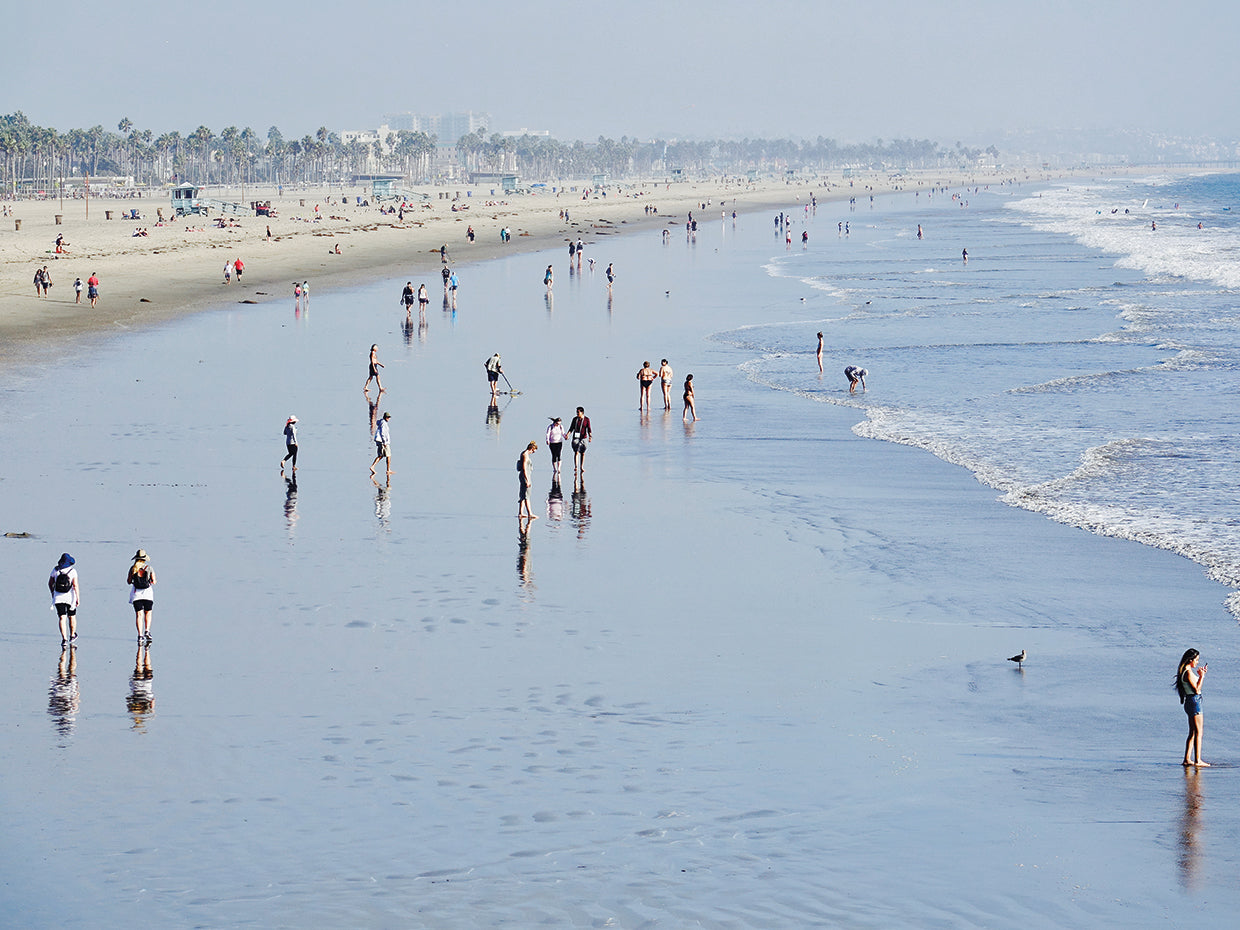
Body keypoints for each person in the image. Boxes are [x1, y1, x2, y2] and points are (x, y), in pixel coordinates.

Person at [1177, 649, 1209, 766]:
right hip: (1194, 701)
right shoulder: (1188, 672)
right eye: (1196, 660)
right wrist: (1202, 676)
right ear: (1190, 660)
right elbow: (1196, 690)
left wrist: (1200, 675)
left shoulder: (1185, 671)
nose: (1197, 662)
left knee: (1193, 732)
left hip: (1190, 701)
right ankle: (1197, 760)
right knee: (1199, 732)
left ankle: (1187, 759)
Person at [49, 552, 80, 646]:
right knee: (72, 616)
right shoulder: (72, 571)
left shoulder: (55, 570)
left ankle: (64, 639)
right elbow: (75, 585)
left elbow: (50, 583)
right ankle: (72, 635)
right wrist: (78, 598)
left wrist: (53, 593)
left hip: (58, 597)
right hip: (70, 598)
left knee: (62, 617)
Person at [127, 549, 156, 644]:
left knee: (139, 615)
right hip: (148, 594)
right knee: (148, 613)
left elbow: (128, 581)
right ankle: (147, 630)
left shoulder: (133, 568)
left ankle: (140, 636)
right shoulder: (149, 568)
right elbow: (154, 581)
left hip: (136, 595)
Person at [517, 441, 538, 519]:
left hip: (524, 476)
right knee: (527, 495)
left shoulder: (523, 453)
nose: (533, 452)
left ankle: (521, 513)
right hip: (525, 476)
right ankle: (530, 513)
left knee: (523, 495)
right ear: (531, 448)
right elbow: (524, 468)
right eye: (533, 451)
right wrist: (527, 480)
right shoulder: (525, 455)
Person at [569, 406, 592, 473]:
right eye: (576, 412)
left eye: (578, 412)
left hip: (583, 437)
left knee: (583, 453)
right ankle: (576, 466)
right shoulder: (575, 419)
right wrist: (568, 434)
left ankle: (581, 466)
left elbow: (589, 429)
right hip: (576, 437)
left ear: (582, 412)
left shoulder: (586, 419)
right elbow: (571, 428)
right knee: (576, 452)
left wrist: (590, 436)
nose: (577, 413)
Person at [370, 411, 392, 477]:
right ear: (385, 417)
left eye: (389, 417)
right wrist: (385, 442)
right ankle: (388, 470)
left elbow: (377, 423)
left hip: (379, 441)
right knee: (388, 455)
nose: (388, 419)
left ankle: (372, 466)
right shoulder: (384, 424)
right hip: (383, 442)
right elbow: (383, 433)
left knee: (380, 455)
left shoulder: (381, 422)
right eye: (387, 417)